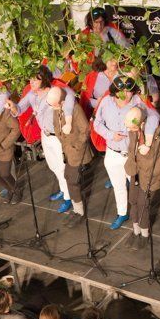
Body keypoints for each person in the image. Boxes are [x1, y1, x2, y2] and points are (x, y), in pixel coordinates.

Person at [93, 75, 160, 228]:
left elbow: (155, 116)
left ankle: (139, 220)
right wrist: (110, 135)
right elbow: (97, 123)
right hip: (112, 152)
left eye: (129, 91)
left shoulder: (138, 101)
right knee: (118, 186)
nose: (125, 94)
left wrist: (147, 140)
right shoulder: (106, 102)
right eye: (121, 91)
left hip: (132, 154)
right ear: (114, 91)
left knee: (137, 188)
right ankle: (122, 213)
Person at [14, 66, 77, 210]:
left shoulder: (55, 92)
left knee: (62, 168)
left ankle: (69, 198)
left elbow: (71, 95)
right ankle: (63, 190)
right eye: (30, 79)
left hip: (57, 137)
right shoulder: (31, 94)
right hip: (45, 135)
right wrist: (12, 107)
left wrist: (68, 119)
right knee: (53, 166)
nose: (32, 82)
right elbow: (19, 109)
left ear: (45, 80)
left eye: (36, 80)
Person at [122, 105, 160, 243]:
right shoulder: (133, 131)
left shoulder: (158, 134)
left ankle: (144, 234)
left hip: (149, 175)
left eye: (133, 128)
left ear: (142, 123)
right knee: (133, 200)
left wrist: (153, 172)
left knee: (143, 204)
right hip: (135, 172)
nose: (130, 131)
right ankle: (136, 230)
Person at [50, 85, 92, 219]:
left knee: (72, 180)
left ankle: (79, 211)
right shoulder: (56, 108)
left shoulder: (75, 109)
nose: (53, 108)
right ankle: (76, 208)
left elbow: (85, 130)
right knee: (68, 178)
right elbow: (56, 126)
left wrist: (76, 147)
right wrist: (62, 138)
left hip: (76, 151)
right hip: (67, 149)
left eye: (55, 105)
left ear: (62, 102)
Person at [0, 87, 22, 203]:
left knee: (5, 173)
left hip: (4, 147)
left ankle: (16, 191)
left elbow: (16, 129)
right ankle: (9, 189)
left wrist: (5, 144)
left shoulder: (5, 111)